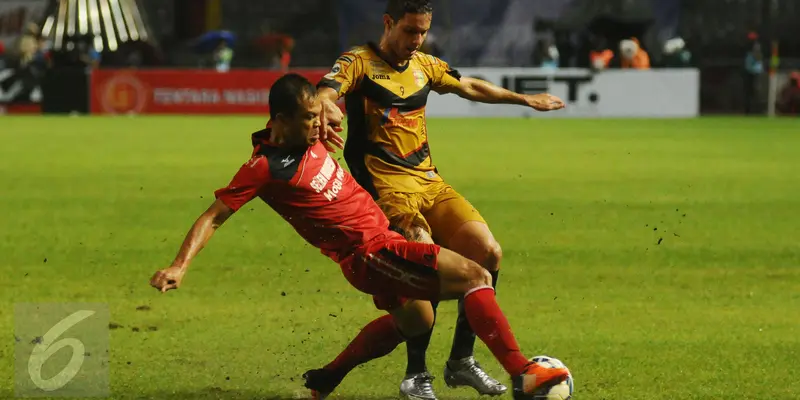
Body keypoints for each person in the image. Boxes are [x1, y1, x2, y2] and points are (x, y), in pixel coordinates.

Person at [149, 74, 570, 400]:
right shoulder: (264, 168)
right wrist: (179, 265)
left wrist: (328, 110)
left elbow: (329, 101)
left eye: (317, 116)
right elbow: (213, 216)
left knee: (417, 320)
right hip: (372, 252)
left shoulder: (311, 130)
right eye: (308, 119)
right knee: (477, 276)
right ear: (280, 122)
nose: (317, 125)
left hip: (382, 239)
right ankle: (522, 373)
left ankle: (326, 378)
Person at [313, 1, 565, 398]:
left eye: (423, 32)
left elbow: (470, 86)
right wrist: (326, 107)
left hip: (430, 183)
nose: (416, 40)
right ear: (388, 23)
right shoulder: (358, 62)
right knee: (422, 250)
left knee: (488, 252)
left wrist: (523, 99)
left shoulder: (425, 65)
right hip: (386, 190)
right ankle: (416, 374)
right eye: (409, 31)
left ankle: (461, 361)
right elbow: (325, 91)